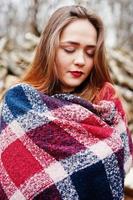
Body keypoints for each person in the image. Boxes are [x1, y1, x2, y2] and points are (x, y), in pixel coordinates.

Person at [0, 5, 132, 200]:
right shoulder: (19, 104)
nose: (80, 60)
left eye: (89, 53)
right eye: (69, 49)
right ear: (49, 49)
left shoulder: (108, 106)